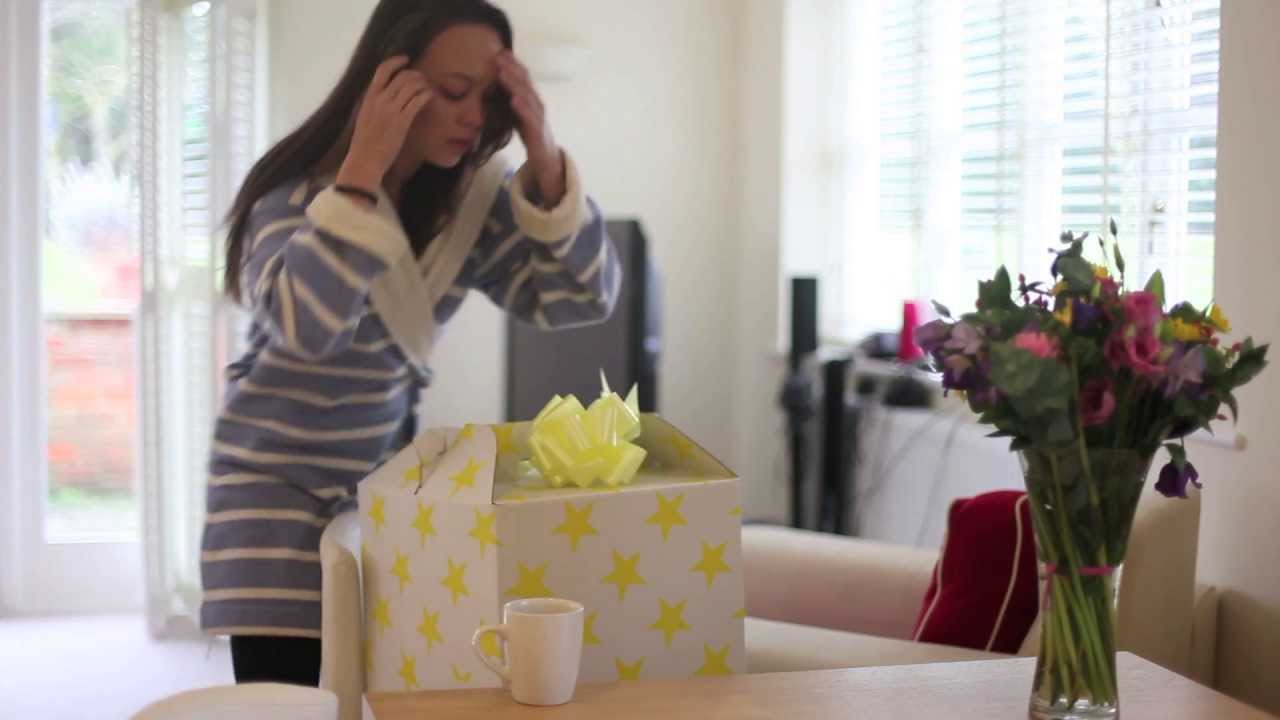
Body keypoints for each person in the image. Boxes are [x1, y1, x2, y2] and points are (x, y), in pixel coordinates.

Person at [200, 0, 619, 687]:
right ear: (385, 85)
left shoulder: (465, 212)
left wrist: (544, 161)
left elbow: (580, 298)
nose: (473, 118)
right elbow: (310, 328)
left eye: (491, 99)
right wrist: (361, 171)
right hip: (270, 502)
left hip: (380, 502)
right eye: (454, 93)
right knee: (292, 701)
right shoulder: (291, 196)